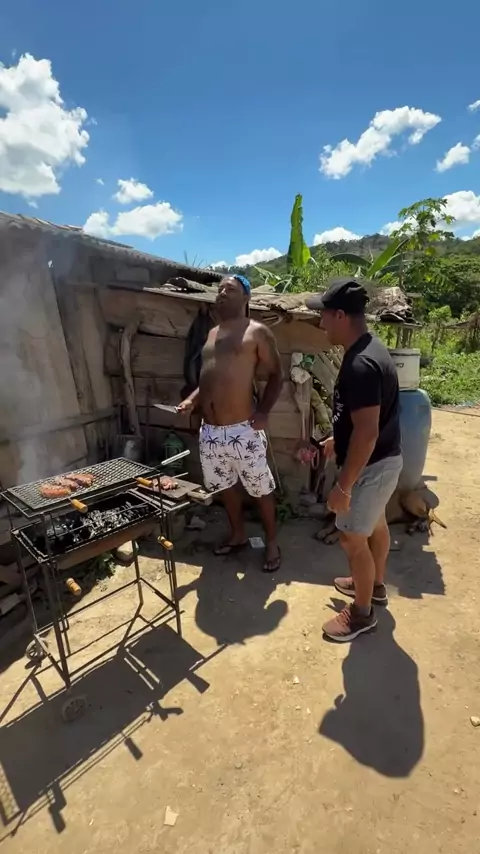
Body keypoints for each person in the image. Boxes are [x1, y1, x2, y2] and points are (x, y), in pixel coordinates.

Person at [306, 278, 402, 642]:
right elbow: (367, 419)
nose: (321, 323)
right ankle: (373, 586)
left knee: (351, 539)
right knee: (375, 526)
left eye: (324, 315)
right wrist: (340, 438)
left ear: (341, 316)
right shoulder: (370, 349)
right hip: (383, 461)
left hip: (371, 468)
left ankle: (362, 614)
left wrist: (343, 486)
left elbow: (367, 433)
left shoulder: (360, 364)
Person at [177, 274, 283, 572]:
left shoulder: (257, 332)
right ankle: (237, 534)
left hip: (243, 430)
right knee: (225, 488)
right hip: (211, 432)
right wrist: (192, 401)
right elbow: (208, 380)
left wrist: (263, 412)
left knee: (260, 489)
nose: (222, 292)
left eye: (231, 289)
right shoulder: (211, 334)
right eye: (220, 288)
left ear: (246, 297)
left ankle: (271, 542)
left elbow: (277, 375)